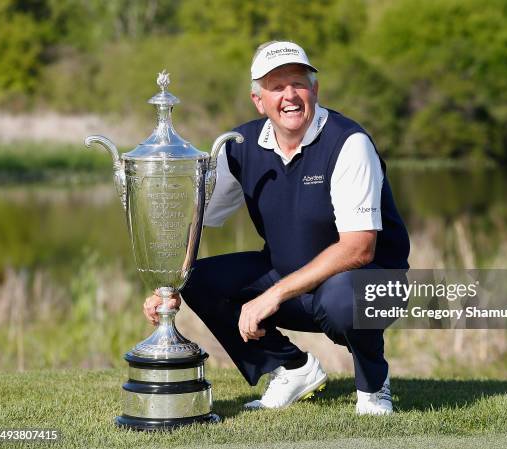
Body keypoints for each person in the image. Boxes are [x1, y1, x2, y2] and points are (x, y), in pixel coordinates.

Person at [143, 41, 410, 415]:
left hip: (372, 283)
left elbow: (359, 249)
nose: (289, 96)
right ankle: (292, 368)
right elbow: (200, 219)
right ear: (258, 99)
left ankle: (373, 387)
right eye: (276, 87)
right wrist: (169, 282)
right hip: (294, 279)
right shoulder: (237, 147)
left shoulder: (349, 143)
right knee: (199, 281)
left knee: (340, 299)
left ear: (314, 89)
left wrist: (273, 295)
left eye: (298, 83)